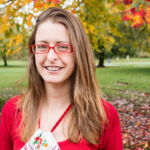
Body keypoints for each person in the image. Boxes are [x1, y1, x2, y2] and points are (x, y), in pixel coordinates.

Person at [0, 7, 123, 150]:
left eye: (63, 47)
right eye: (42, 46)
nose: (51, 57)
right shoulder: (13, 111)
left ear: (79, 52)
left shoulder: (104, 116)